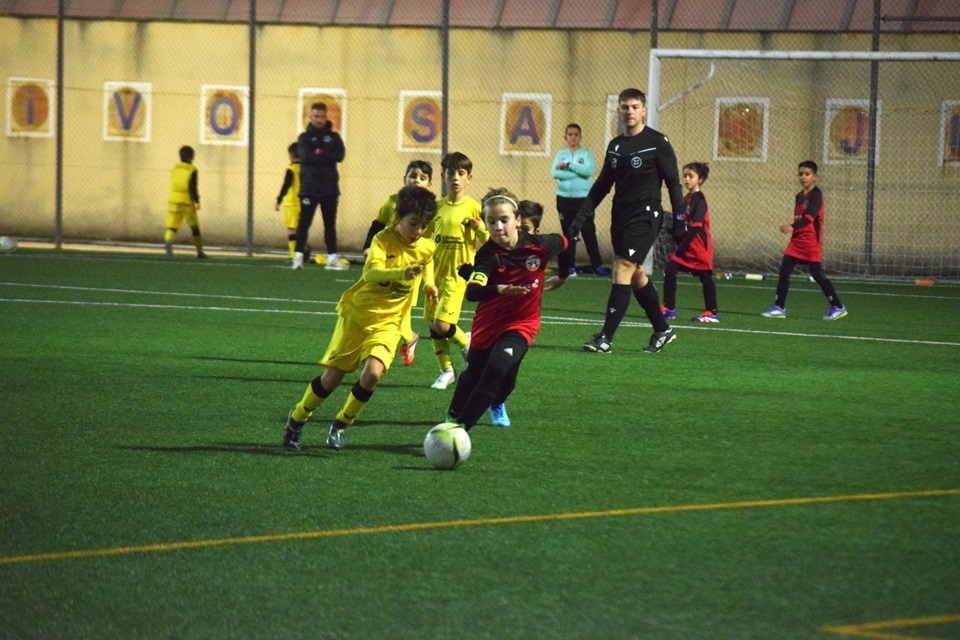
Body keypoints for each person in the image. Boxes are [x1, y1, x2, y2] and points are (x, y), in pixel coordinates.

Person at [282, 185, 438, 452]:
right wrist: (401, 273)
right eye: (413, 224)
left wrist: (429, 283)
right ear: (398, 217)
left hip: (389, 322)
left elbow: (428, 259)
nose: (419, 232)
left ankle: (342, 423)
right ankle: (297, 419)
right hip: (358, 315)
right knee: (332, 377)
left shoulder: (425, 245)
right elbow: (371, 273)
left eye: (424, 226)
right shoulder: (382, 240)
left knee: (373, 373)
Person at [570, 88, 685, 354]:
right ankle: (662, 329)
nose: (629, 112)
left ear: (644, 110)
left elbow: (673, 183)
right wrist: (580, 218)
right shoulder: (616, 146)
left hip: (645, 215)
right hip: (619, 215)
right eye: (625, 107)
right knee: (636, 274)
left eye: (634, 107)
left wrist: (679, 220)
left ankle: (606, 339)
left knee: (621, 267)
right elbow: (601, 187)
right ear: (620, 111)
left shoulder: (658, 142)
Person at [446, 189, 571, 433]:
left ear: (517, 221)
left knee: (501, 371)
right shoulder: (488, 254)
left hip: (523, 322)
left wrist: (564, 274)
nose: (498, 227)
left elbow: (566, 243)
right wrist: (499, 288)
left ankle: (461, 427)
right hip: (489, 323)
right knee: (474, 374)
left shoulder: (540, 246)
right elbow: (473, 292)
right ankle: (453, 415)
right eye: (491, 222)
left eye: (504, 220)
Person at [361, 160, 434, 367]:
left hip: (409, 267)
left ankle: (399, 341)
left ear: (429, 184)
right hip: (385, 262)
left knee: (401, 307)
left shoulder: (427, 212)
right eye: (413, 176)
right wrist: (368, 246)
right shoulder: (391, 202)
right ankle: (405, 338)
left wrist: (429, 279)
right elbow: (377, 225)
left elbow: (428, 246)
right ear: (404, 179)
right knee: (379, 301)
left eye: (422, 178)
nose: (416, 180)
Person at [424, 151, 488, 390]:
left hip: (458, 275)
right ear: (442, 176)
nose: (455, 178)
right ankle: (446, 370)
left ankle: (466, 344)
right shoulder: (437, 207)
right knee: (433, 325)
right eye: (451, 173)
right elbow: (425, 238)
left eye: (461, 174)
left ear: (469, 178)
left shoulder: (474, 208)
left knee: (442, 324)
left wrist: (480, 228)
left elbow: (491, 240)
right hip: (435, 274)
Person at [762, 160, 847, 320]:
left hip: (810, 242)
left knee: (818, 275)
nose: (803, 177)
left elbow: (809, 218)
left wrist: (792, 226)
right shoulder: (799, 196)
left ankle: (838, 306)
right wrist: (794, 231)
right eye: (801, 174)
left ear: (814, 177)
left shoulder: (817, 195)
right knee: (784, 272)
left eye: (807, 174)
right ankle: (779, 307)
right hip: (796, 242)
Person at [660, 161, 719, 323]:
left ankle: (712, 312)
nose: (686, 179)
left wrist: (683, 246)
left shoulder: (700, 199)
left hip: (699, 246)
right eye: (685, 176)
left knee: (705, 276)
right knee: (670, 269)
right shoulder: (687, 199)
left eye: (691, 176)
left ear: (700, 179)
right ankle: (669, 309)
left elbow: (697, 227)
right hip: (687, 244)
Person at [292, 102, 347, 271]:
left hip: (330, 187)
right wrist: (325, 155)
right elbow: (306, 157)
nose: (319, 120)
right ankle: (298, 257)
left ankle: (332, 257)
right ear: (310, 117)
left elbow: (339, 156)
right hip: (310, 187)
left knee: (330, 224)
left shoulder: (334, 137)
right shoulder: (304, 138)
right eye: (316, 116)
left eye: (322, 116)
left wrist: (321, 152)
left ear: (326, 117)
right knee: (304, 223)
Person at [551, 123, 609, 278]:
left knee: (589, 231)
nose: (573, 137)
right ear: (565, 137)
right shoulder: (560, 154)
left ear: (580, 136)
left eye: (576, 134)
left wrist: (569, 166)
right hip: (564, 199)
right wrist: (577, 173)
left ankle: (597, 266)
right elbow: (555, 173)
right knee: (568, 233)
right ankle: (570, 267)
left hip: (584, 199)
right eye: (570, 134)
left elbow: (588, 171)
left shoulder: (586, 154)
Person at [164, 145, 207, 259]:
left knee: (172, 226)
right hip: (186, 202)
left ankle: (168, 241)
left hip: (173, 201)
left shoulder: (175, 168)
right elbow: (192, 187)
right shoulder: (192, 170)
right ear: (192, 157)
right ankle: (199, 252)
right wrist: (197, 200)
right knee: (194, 228)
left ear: (180, 156)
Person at [275, 142, 301, 261]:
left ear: (291, 155)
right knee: (301, 228)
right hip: (303, 202)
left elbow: (286, 185)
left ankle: (294, 254)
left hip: (292, 203)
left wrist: (279, 199)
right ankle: (301, 251)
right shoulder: (305, 168)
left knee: (291, 229)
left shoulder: (291, 169)